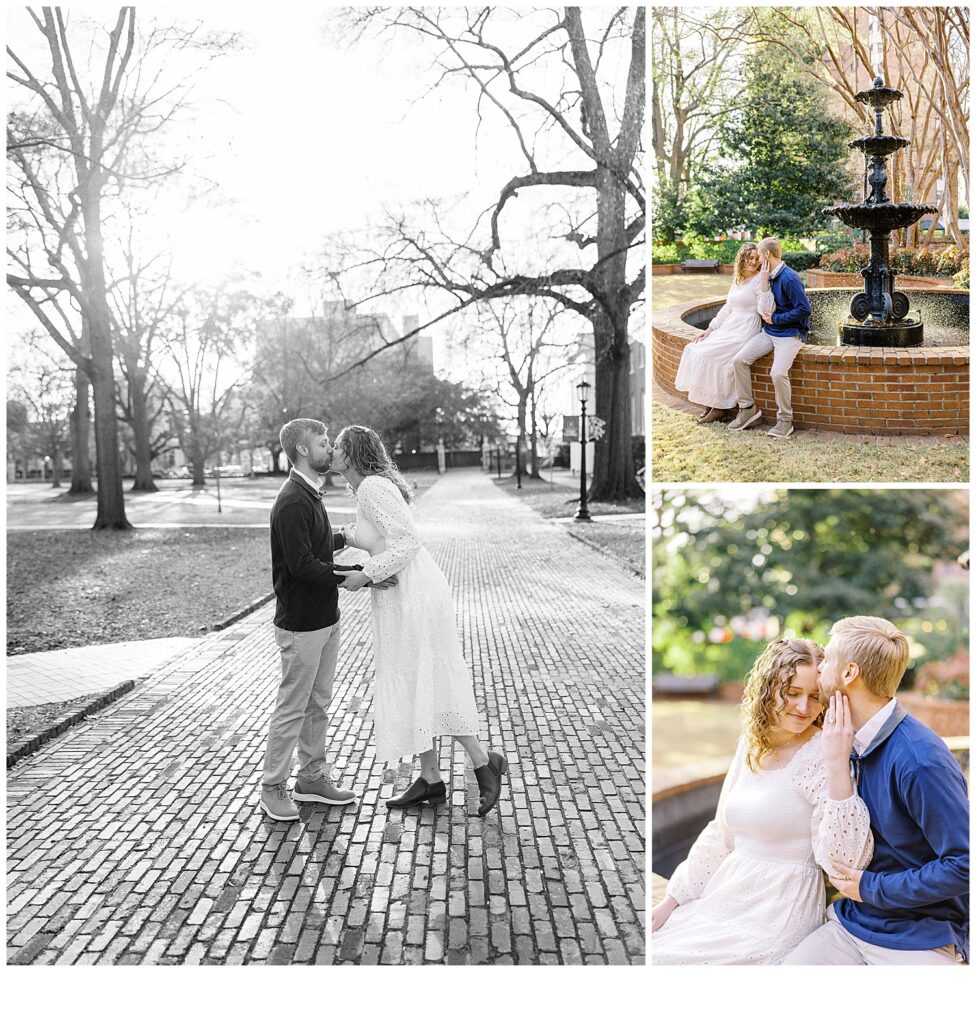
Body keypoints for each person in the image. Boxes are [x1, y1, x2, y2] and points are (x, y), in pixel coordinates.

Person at [651, 637, 873, 965]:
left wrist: (838, 763)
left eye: (815, 697)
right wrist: (672, 900)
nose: (804, 708)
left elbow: (847, 860)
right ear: (769, 688)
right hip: (725, 895)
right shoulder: (752, 744)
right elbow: (721, 833)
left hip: (779, 911)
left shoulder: (822, 752)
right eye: (793, 693)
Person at [330, 425, 506, 815]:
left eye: (338, 446)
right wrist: (340, 536)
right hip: (398, 592)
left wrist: (365, 574)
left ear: (355, 453)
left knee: (429, 677)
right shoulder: (366, 490)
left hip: (414, 593)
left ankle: (483, 762)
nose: (331, 451)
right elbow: (379, 535)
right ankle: (430, 779)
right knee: (411, 680)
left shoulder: (374, 487)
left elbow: (408, 541)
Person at [782, 616, 969, 965]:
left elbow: (965, 864)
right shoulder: (842, 738)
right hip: (852, 925)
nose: (820, 666)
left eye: (828, 659)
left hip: (921, 936)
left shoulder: (919, 759)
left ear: (849, 673)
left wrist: (872, 887)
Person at [259, 418, 396, 821]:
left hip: (325, 618)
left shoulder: (310, 495)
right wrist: (356, 575)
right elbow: (301, 566)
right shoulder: (292, 501)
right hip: (301, 624)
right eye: (322, 443)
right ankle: (272, 786)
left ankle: (313, 778)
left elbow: (316, 543)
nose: (330, 450)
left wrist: (345, 538)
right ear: (303, 450)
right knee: (293, 706)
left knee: (318, 703)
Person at [673, 242, 774, 423]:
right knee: (696, 349)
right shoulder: (737, 279)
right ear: (741, 258)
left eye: (756, 259)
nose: (753, 262)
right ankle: (710, 404)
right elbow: (727, 308)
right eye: (749, 258)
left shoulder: (760, 279)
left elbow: (767, 310)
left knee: (714, 356)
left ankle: (718, 408)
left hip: (746, 328)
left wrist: (765, 283)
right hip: (730, 325)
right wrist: (710, 329)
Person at [728, 236, 812, 439]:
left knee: (777, 373)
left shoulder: (789, 278)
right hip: (769, 333)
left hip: (790, 335)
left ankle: (785, 421)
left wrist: (776, 318)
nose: (756, 259)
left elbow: (804, 310)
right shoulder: (767, 276)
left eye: (759, 254)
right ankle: (747, 408)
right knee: (739, 360)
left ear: (767, 254)